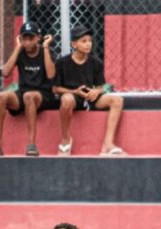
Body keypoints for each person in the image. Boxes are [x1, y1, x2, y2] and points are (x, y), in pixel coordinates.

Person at [0, 22, 56, 157]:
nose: (27, 42)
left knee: (29, 96)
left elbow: (51, 74)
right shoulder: (20, 52)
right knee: (2, 96)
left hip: (43, 94)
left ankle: (31, 145)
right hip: (23, 93)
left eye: (31, 38)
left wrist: (46, 47)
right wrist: (18, 48)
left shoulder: (46, 51)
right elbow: (5, 72)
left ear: (38, 38)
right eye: (24, 38)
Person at [52, 26, 124, 156]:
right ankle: (65, 140)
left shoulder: (96, 62)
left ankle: (108, 145)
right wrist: (75, 92)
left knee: (117, 100)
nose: (88, 44)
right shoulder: (62, 63)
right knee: (66, 98)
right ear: (74, 44)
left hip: (90, 98)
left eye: (89, 41)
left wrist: (96, 92)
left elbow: (100, 85)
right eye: (83, 41)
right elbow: (56, 88)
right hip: (73, 97)